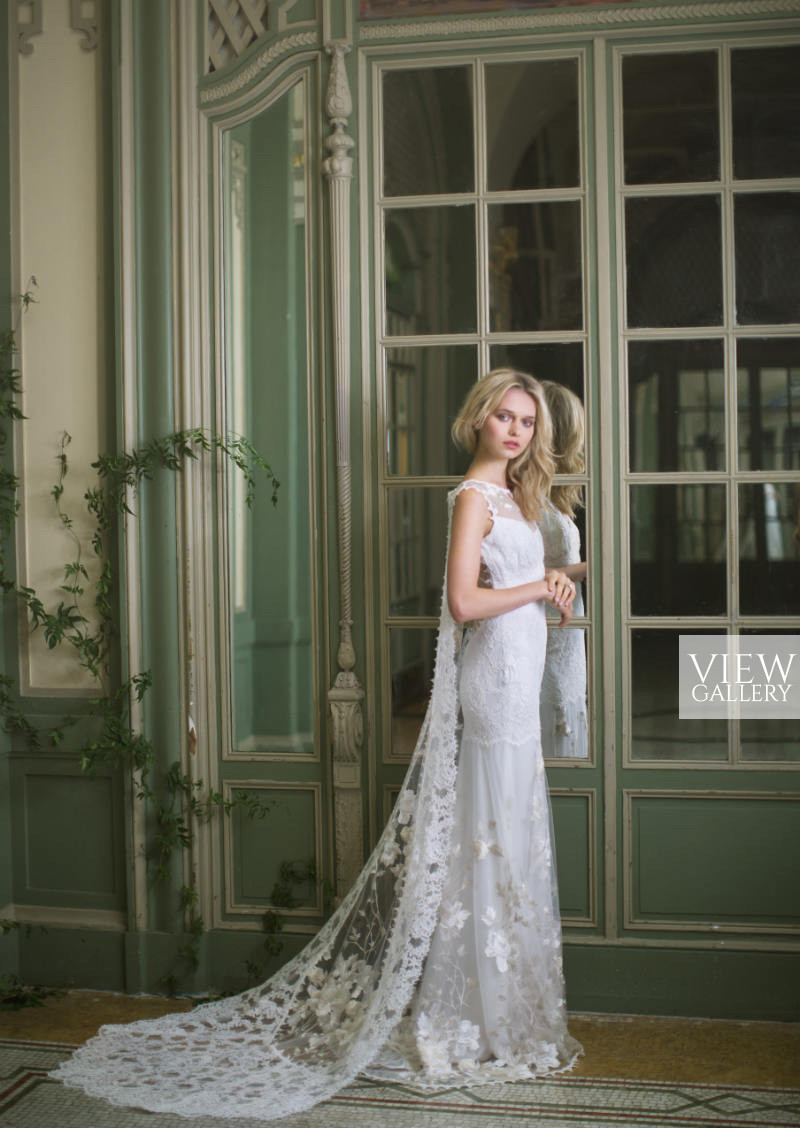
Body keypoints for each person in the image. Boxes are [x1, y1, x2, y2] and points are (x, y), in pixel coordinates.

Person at [52, 369, 583, 1121]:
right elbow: (465, 602)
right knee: (492, 837)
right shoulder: (472, 499)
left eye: (527, 421)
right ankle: (475, 1020)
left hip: (518, 670)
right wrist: (540, 589)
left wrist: (558, 581)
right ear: (477, 421)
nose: (517, 430)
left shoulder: (517, 499)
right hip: (493, 680)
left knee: (509, 833)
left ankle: (507, 1015)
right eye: (504, 416)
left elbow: (525, 578)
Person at [539, 380, 589, 759]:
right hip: (546, 627)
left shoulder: (550, 492)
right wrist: (601, 564)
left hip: (565, 629)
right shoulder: (526, 495)